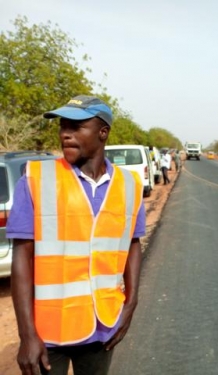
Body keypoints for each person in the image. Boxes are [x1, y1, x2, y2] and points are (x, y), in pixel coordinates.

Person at [7, 95, 146, 375]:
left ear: (103, 133)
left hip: (102, 325)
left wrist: (130, 305)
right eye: (62, 126)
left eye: (76, 126)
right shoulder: (36, 178)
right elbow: (22, 255)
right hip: (48, 331)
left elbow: (133, 244)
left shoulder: (130, 185)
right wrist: (26, 335)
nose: (65, 134)